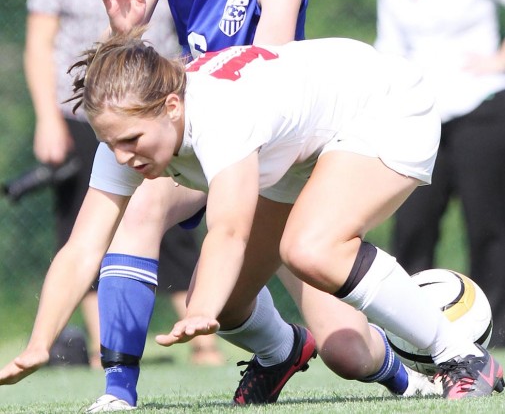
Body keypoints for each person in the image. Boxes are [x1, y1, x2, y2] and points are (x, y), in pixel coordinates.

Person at [20, 0, 436, 412]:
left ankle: (408, 376)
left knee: (346, 349)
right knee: (138, 211)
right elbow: (135, 20)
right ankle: (119, 393)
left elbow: (264, 69)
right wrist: (126, 27)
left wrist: (209, 98)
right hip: (200, 125)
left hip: (274, 148)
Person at [2, 32, 502, 403]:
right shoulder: (129, 137)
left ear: (172, 106)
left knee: (311, 249)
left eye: (131, 141)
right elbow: (82, 248)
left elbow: (230, 229)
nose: (121, 155)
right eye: (111, 142)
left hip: (384, 106)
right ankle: (281, 351)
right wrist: (39, 343)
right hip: (299, 150)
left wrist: (201, 314)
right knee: (235, 307)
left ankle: (461, 356)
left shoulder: (219, 113)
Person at [23, 0, 213, 369]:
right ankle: (102, 346)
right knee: (84, 228)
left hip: (157, 108)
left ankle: (203, 338)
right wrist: (47, 116)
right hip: (83, 113)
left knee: (170, 219)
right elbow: (40, 45)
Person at [375, 0, 505, 347]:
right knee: (412, 225)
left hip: (482, 110)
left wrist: (497, 59)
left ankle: (492, 339)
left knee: (488, 228)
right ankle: (409, 335)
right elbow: (390, 45)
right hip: (421, 116)